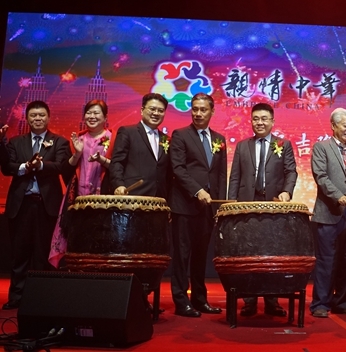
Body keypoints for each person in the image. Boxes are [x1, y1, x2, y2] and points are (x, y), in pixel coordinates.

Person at [228, 103, 298, 318]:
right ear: (251, 121)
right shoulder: (242, 146)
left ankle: (272, 300)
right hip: (246, 205)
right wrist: (231, 203)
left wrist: (286, 192)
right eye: (256, 118)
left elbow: (291, 172)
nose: (260, 122)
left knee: (272, 253)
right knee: (248, 253)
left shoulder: (283, 144)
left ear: (272, 121)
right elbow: (235, 176)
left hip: (273, 206)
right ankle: (249, 300)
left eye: (264, 118)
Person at [0, 101, 71, 310]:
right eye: (33, 115)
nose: (37, 119)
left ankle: (41, 297)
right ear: (27, 118)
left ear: (48, 117)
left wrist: (40, 165)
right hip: (21, 205)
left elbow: (60, 166)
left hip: (46, 205)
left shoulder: (59, 141)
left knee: (42, 253)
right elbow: (7, 167)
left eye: (41, 115)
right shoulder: (16, 142)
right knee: (19, 252)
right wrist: (25, 167)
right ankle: (17, 296)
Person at [169, 93, 227, 318]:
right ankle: (181, 301)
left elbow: (220, 175)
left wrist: (219, 207)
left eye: (203, 109)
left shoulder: (219, 139)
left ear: (212, 111)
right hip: (185, 206)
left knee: (201, 255)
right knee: (182, 255)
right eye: (195, 109)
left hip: (208, 208)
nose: (198, 113)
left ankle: (200, 299)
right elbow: (178, 169)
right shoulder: (180, 135)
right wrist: (197, 190)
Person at [310, 108, 346, 318]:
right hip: (330, 211)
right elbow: (321, 176)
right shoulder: (322, 147)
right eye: (345, 125)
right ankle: (320, 304)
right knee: (327, 259)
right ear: (333, 126)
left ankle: (342, 301)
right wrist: (338, 196)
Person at [48, 100, 112, 268]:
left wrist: (102, 160)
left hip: (104, 201)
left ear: (105, 117)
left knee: (100, 245)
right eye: (89, 113)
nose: (92, 116)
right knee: (77, 244)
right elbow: (65, 170)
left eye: (96, 113)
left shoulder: (113, 139)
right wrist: (77, 153)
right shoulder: (78, 138)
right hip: (77, 201)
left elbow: (120, 168)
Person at [109, 93, 170, 198]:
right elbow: (117, 162)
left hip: (159, 198)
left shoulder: (167, 139)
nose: (156, 113)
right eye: (152, 109)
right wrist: (119, 185)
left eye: (160, 111)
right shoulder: (127, 132)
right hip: (132, 195)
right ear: (142, 110)